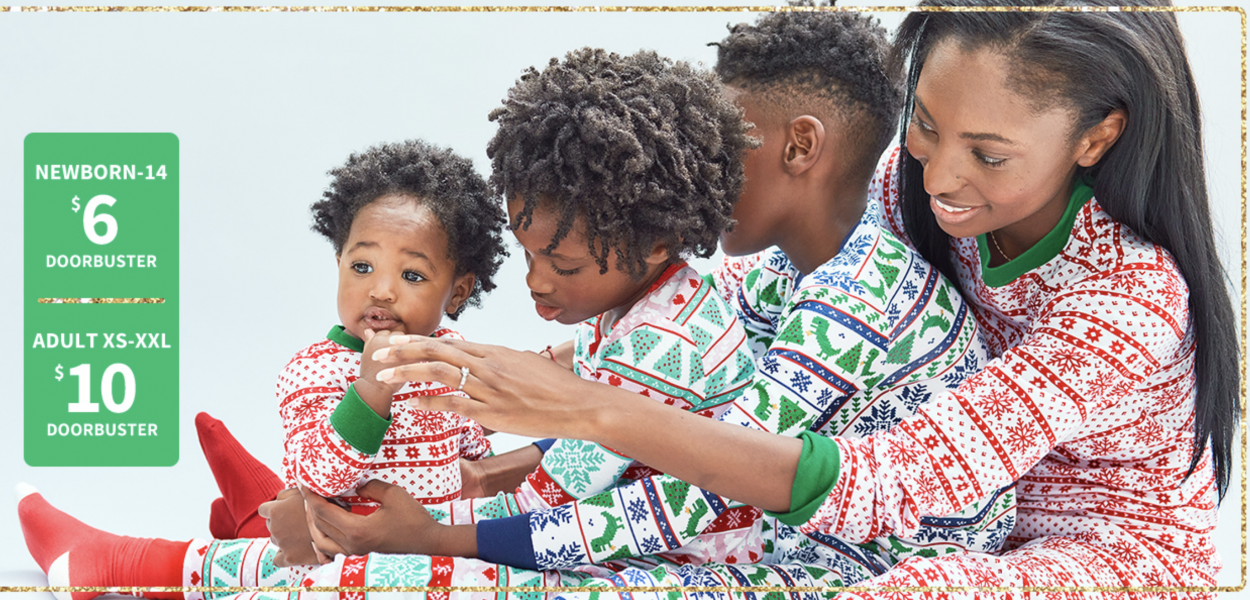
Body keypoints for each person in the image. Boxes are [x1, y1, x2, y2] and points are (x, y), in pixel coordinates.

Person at [371, 1, 1238, 597]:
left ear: (1096, 136)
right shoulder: (908, 188)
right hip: (932, 519)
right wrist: (574, 370)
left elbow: (892, 477)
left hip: (1091, 558)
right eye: (924, 124)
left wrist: (587, 409)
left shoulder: (1128, 300)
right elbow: (740, 312)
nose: (939, 175)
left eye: (988, 154)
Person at [298, 9, 1018, 596]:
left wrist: (441, 536)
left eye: (725, 145)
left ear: (800, 147)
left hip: (865, 566)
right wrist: (481, 473)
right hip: (767, 526)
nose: (701, 172)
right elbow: (648, 400)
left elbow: (688, 497)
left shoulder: (858, 297)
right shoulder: (784, 270)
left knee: (436, 580)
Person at [15, 139, 510, 597]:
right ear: (339, 262)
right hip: (333, 553)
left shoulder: (451, 356)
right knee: (259, 570)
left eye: (412, 275)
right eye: (362, 267)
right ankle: (107, 559)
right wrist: (369, 392)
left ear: (458, 292)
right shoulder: (315, 369)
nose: (381, 290)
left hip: (434, 549)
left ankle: (242, 516)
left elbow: (472, 460)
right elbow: (316, 476)